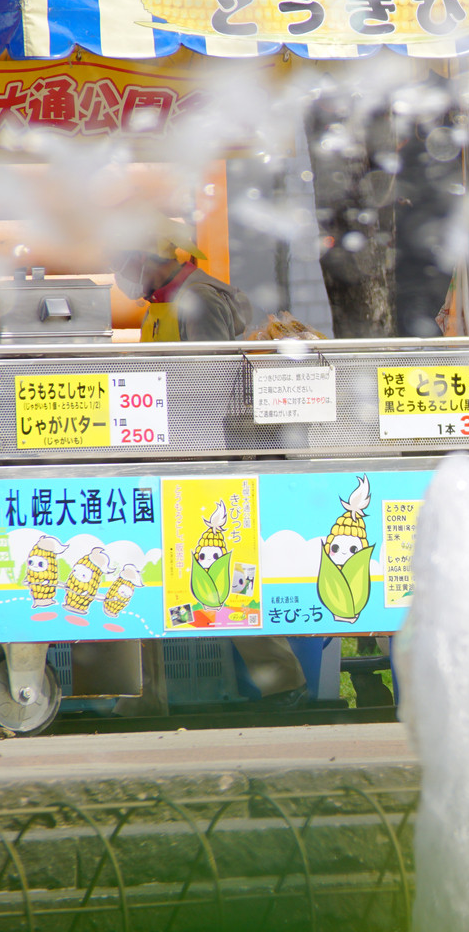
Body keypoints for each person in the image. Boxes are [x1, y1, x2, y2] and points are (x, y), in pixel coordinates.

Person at [109, 217, 310, 714]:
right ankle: (145, 696)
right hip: (168, 451)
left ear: (153, 257)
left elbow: (212, 382)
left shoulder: (198, 299)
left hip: (204, 456)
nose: (122, 271)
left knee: (223, 575)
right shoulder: (162, 303)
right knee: (148, 572)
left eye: (126, 259)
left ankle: (283, 683)